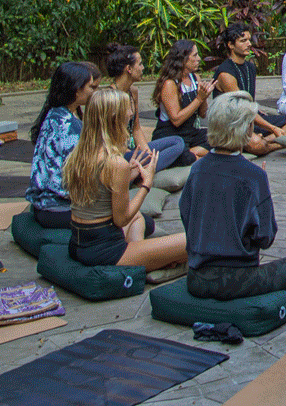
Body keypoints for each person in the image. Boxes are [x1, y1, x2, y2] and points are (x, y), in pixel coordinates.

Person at [178, 94, 286, 300]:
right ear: (247, 130)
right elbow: (265, 238)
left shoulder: (197, 169)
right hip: (240, 280)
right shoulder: (253, 176)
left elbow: (186, 215)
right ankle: (285, 287)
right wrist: (261, 194)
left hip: (197, 279)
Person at [30, 61, 184, 229]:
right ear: (75, 89)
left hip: (48, 204)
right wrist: (132, 181)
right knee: (144, 223)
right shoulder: (70, 129)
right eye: (92, 87)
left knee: (177, 145)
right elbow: (80, 185)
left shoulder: (56, 114)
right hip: (58, 208)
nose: (95, 92)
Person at [62, 87, 190, 271]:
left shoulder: (79, 154)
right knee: (194, 240)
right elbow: (121, 220)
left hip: (78, 244)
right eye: (128, 109)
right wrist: (146, 183)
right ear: (115, 117)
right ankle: (140, 262)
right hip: (106, 252)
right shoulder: (115, 163)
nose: (131, 113)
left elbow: (99, 194)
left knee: (139, 218)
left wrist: (129, 176)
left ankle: (142, 260)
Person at [213, 21, 286, 154]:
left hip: (252, 118)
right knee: (256, 144)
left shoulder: (250, 67)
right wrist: (273, 128)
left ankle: (268, 141)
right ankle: (275, 143)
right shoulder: (226, 74)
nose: (249, 44)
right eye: (243, 41)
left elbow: (250, 104)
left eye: (249, 40)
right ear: (231, 45)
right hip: (234, 124)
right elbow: (244, 109)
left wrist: (259, 114)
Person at [150, 39, 209, 150]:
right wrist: (199, 99)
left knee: (219, 139)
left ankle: (194, 153)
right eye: (195, 55)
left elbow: (202, 114)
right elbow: (176, 120)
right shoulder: (169, 83)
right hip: (171, 135)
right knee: (181, 151)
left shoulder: (195, 78)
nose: (199, 59)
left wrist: (204, 95)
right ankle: (194, 154)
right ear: (183, 59)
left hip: (191, 133)